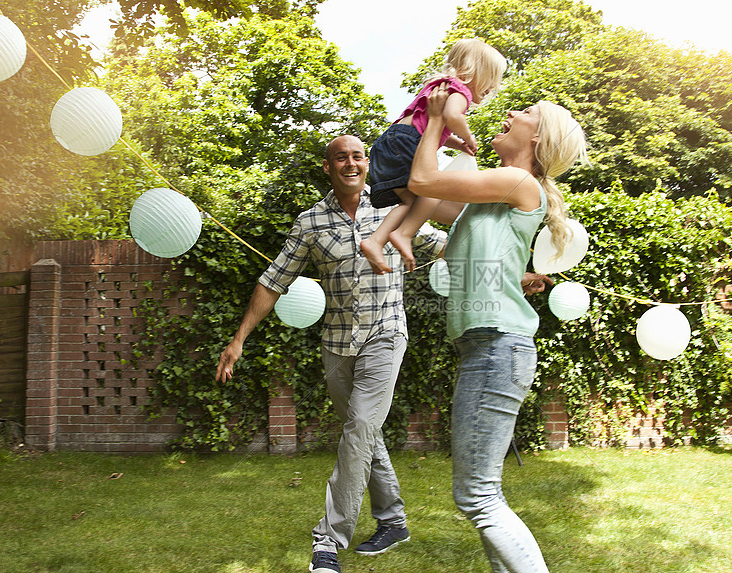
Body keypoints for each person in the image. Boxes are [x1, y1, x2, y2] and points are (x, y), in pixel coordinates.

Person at [215, 135, 446, 573]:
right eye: (341, 157)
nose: (351, 163)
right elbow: (273, 280)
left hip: (385, 334)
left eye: (359, 156)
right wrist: (239, 337)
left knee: (359, 427)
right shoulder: (311, 223)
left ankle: (329, 539)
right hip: (337, 344)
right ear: (328, 167)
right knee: (364, 433)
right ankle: (393, 522)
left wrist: (512, 269)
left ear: (367, 163)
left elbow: (445, 243)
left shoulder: (394, 207)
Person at [408, 83, 588, 572]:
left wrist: (441, 119)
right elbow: (416, 192)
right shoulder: (491, 196)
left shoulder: (517, 182)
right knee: (481, 495)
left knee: (478, 497)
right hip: (485, 350)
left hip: (497, 350)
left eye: (525, 111)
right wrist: (418, 123)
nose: (510, 111)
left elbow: (424, 179)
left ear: (537, 139)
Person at [360, 38, 507, 275]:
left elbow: (430, 125)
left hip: (391, 142)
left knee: (410, 202)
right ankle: (403, 233)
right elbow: (451, 116)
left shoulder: (438, 86)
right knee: (434, 190)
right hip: (406, 142)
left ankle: (376, 240)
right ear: (473, 73)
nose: (493, 88)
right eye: (490, 80)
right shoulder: (460, 90)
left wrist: (456, 144)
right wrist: (469, 137)